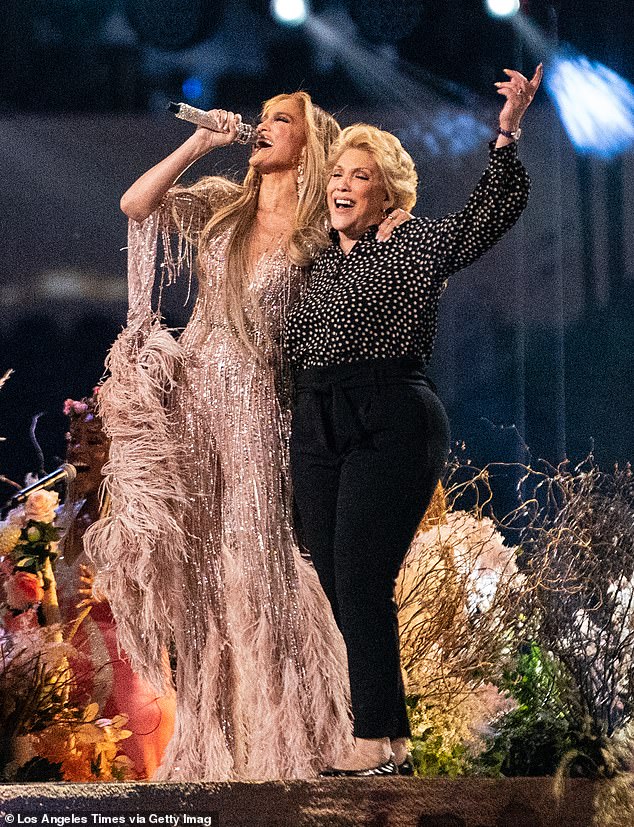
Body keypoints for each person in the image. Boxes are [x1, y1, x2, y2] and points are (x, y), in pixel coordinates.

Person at [85, 92, 406, 780]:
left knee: (253, 562)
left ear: (309, 142)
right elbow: (136, 206)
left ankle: (278, 737)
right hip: (196, 402)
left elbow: (371, 269)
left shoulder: (323, 225)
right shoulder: (221, 204)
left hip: (263, 405)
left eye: (280, 119)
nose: (262, 126)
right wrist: (200, 146)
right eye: (262, 116)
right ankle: (215, 741)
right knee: (203, 570)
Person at [285, 66, 543, 776]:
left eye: (360, 176)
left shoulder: (412, 243)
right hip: (317, 419)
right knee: (337, 580)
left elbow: (485, 217)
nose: (342, 184)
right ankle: (389, 732)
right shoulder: (308, 261)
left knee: (364, 575)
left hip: (390, 413)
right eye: (337, 173)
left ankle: (371, 737)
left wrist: (507, 132)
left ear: (386, 193)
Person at [57, 390, 176, 779]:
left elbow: (172, 595)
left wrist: (119, 588)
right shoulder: (56, 521)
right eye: (73, 441)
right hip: (68, 698)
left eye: (94, 442)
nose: (79, 452)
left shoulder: (138, 522)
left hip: (131, 699)